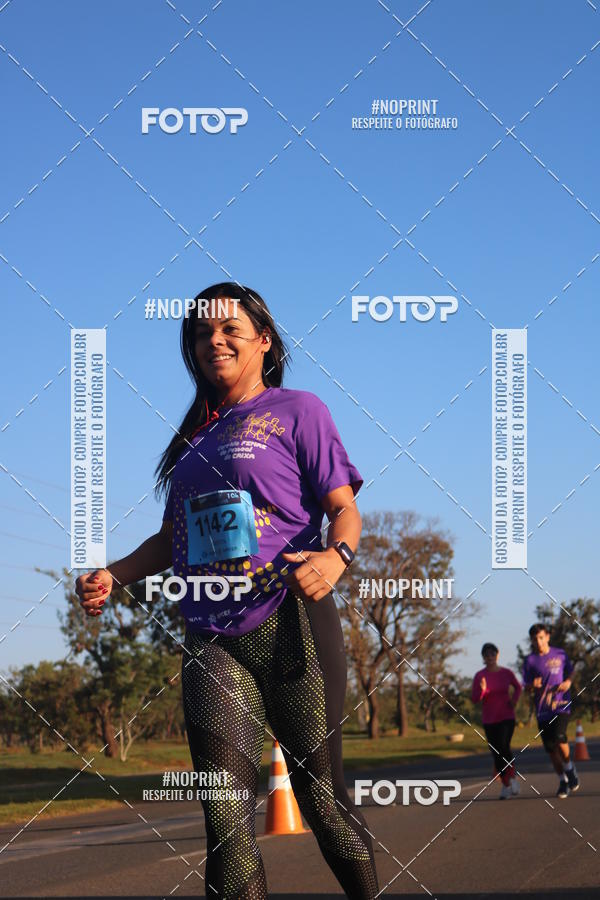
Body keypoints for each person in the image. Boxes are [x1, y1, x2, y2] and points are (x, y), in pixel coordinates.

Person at [75, 283, 379, 900]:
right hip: (210, 637)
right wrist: (114, 574)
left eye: (228, 329)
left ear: (263, 341)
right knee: (225, 818)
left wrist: (336, 557)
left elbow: (344, 510)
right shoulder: (194, 440)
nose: (213, 340)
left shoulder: (299, 410)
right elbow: (172, 537)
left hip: (290, 618)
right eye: (201, 333)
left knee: (321, 800)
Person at [522, 623, 579, 799]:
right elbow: (526, 687)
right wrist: (532, 685)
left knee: (560, 737)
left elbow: (571, 672)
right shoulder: (530, 661)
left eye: (541, 637)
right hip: (543, 710)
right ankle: (563, 781)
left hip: (561, 705)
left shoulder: (560, 654)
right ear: (531, 641)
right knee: (551, 750)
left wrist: (568, 682)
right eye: (534, 639)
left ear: (547, 637)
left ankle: (570, 769)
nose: (538, 642)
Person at [471, 643, 522, 799]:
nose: (490, 657)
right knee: (496, 753)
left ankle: (512, 778)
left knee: (504, 746)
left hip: (507, 717)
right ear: (483, 658)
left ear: (497, 655)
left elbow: (518, 687)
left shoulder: (506, 673)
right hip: (489, 719)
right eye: (486, 655)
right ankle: (506, 785)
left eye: (492, 654)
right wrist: (482, 690)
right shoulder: (480, 676)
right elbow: (475, 699)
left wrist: (514, 701)